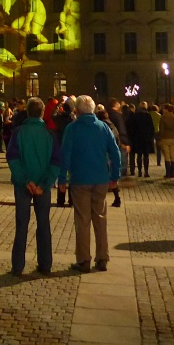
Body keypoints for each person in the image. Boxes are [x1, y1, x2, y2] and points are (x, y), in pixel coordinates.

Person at [57, 95, 121, 273]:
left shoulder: (72, 129)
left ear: (77, 110)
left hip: (79, 180)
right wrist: (114, 176)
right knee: (100, 219)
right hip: (100, 179)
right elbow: (115, 153)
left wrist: (62, 179)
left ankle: (84, 259)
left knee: (82, 220)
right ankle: (102, 258)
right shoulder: (103, 127)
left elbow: (65, 155)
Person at [7, 96, 60, 276]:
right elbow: (55, 162)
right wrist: (44, 184)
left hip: (23, 185)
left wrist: (25, 180)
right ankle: (45, 264)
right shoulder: (50, 134)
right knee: (43, 223)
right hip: (42, 186)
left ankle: (18, 265)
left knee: (22, 224)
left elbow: (13, 158)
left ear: (27, 112)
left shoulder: (19, 132)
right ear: (43, 113)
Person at [158, 103, 174, 178]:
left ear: (166, 109)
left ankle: (168, 173)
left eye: (164, 109)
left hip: (165, 138)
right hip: (172, 138)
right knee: (173, 156)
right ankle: (172, 173)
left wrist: (160, 138)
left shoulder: (163, 117)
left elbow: (161, 130)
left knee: (167, 156)